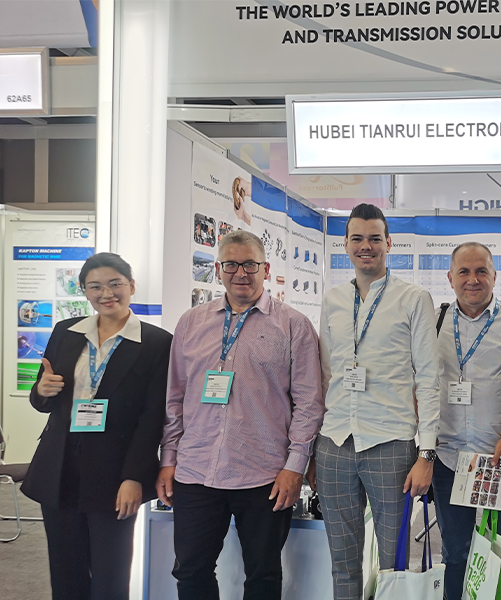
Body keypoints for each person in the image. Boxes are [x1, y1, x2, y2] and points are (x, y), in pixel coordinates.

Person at [156, 230, 324, 599]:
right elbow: (175, 397)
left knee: (263, 576)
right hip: (196, 470)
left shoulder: (293, 325)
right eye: (231, 265)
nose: (241, 273)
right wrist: (169, 459)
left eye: (250, 264)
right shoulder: (191, 323)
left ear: (266, 269)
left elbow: (309, 402)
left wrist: (295, 466)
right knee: (190, 571)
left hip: (264, 475)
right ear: (218, 269)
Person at [21, 253, 173, 600]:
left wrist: (133, 477)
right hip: (60, 466)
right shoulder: (66, 331)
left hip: (114, 472)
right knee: (65, 574)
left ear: (131, 286)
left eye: (115, 284)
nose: (107, 293)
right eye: (95, 286)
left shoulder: (156, 342)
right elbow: (43, 399)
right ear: (84, 291)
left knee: (110, 576)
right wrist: (41, 391)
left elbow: (153, 417)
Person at [317, 203, 440, 600]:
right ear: (345, 244)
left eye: (374, 238)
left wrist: (427, 453)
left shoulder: (413, 298)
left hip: (390, 444)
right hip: (335, 442)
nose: (365, 246)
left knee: (393, 563)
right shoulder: (333, 299)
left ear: (389, 243)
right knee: (342, 561)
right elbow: (326, 374)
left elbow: (429, 379)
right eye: (357, 238)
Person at [432, 242, 501, 600]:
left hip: (500, 459)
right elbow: (419, 383)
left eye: (481, 271)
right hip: (449, 459)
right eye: (464, 271)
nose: (472, 279)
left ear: (495, 275)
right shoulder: (434, 321)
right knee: (455, 555)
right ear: (450, 278)